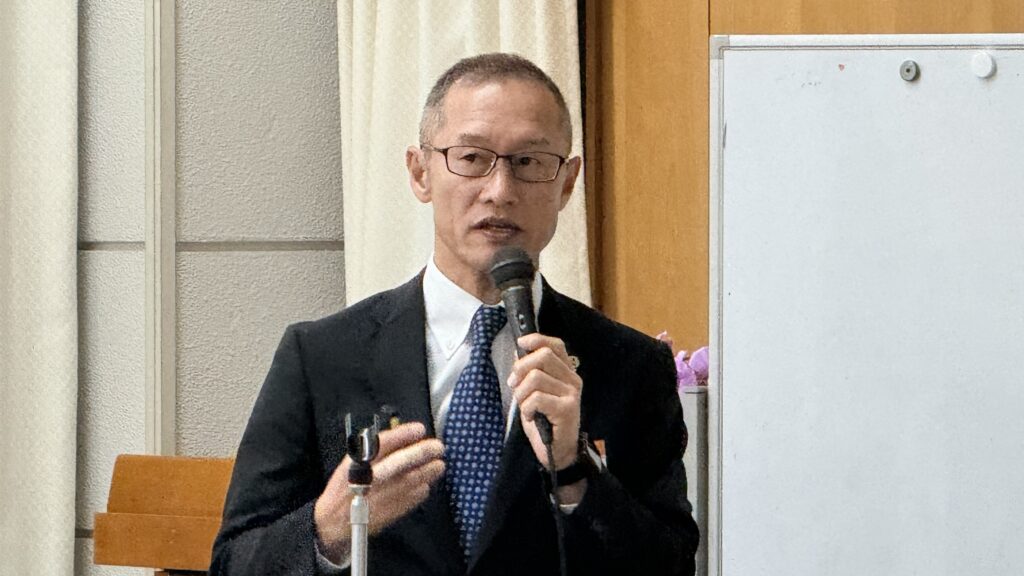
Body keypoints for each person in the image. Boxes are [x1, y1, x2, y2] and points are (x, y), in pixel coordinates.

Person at [209, 52, 698, 576]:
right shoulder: (321, 357)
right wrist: (332, 528)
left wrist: (574, 472)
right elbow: (234, 561)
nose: (500, 191)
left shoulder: (629, 365)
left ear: (567, 182)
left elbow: (672, 565)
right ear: (420, 172)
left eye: (529, 162)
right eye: (471, 158)